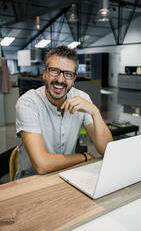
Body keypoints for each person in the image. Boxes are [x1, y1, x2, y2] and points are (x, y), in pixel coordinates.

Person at [15, 45, 113, 179]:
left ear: (74, 78)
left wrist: (95, 112)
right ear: (45, 73)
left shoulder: (82, 98)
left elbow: (107, 150)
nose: (60, 80)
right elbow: (42, 165)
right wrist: (83, 157)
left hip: (69, 175)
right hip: (32, 180)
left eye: (68, 74)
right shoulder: (28, 103)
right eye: (54, 71)